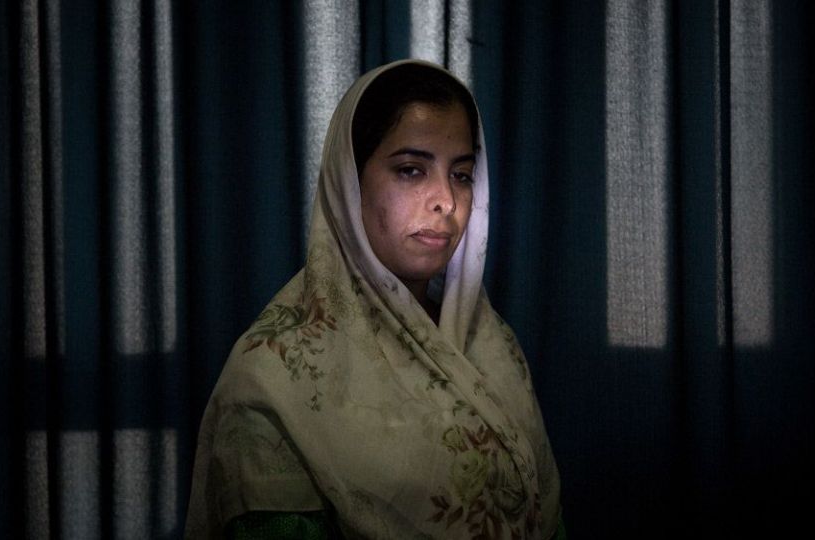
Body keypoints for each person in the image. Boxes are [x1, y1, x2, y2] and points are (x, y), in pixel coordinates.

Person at [186, 59, 563, 539]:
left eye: (462, 175)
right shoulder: (274, 378)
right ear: (350, 183)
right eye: (411, 170)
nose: (446, 200)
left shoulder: (492, 342)